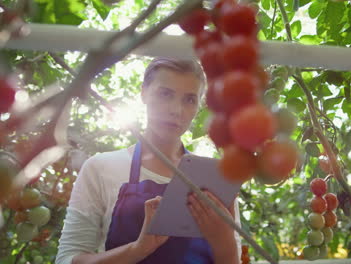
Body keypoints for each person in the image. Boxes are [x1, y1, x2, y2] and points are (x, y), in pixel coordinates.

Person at [56, 58, 242, 264]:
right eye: (165, 94)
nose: (176, 110)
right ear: (143, 92)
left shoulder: (214, 178)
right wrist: (137, 250)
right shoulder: (100, 167)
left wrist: (224, 242)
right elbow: (66, 259)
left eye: (189, 99)